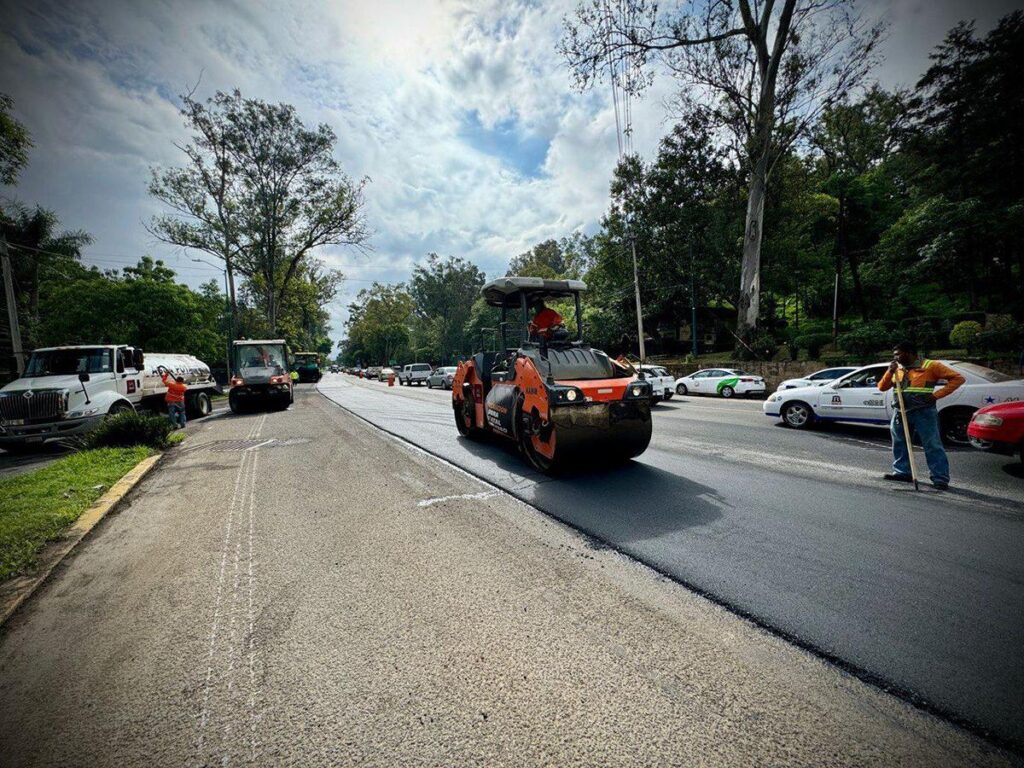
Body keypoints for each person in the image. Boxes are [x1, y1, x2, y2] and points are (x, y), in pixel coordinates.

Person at [877, 341, 965, 489]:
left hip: (923, 412)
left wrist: (935, 396)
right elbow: (882, 387)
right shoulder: (897, 369)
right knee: (900, 443)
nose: (895, 357)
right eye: (894, 355)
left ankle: (940, 479)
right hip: (901, 412)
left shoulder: (931, 366)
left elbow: (958, 379)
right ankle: (902, 472)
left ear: (910, 353)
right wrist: (890, 372)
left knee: (932, 444)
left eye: (898, 354)